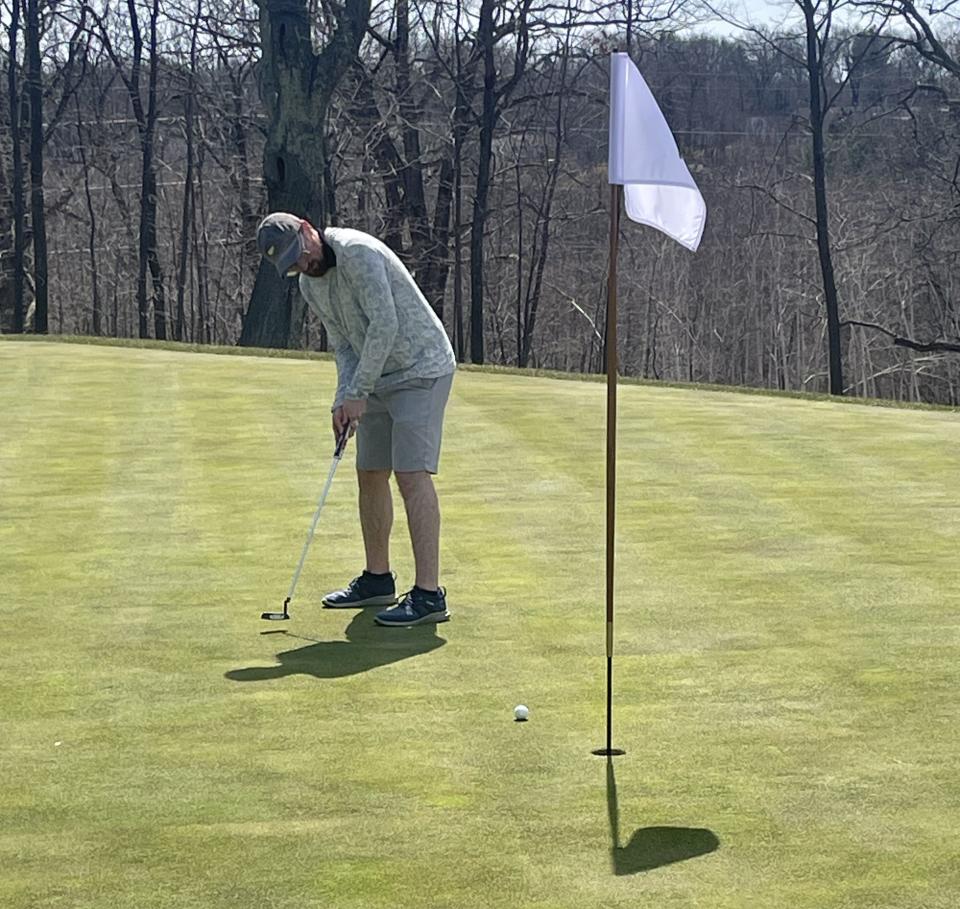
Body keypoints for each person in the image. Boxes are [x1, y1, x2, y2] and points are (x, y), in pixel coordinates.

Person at [256, 212, 456, 627]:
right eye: (292, 264)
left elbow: (385, 325)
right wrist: (342, 399)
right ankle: (377, 579)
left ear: (308, 229)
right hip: (376, 374)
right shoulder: (312, 287)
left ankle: (428, 595)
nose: (303, 265)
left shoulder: (357, 252)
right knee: (369, 472)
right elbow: (346, 345)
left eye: (301, 253)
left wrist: (358, 392)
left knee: (411, 473)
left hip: (421, 367)